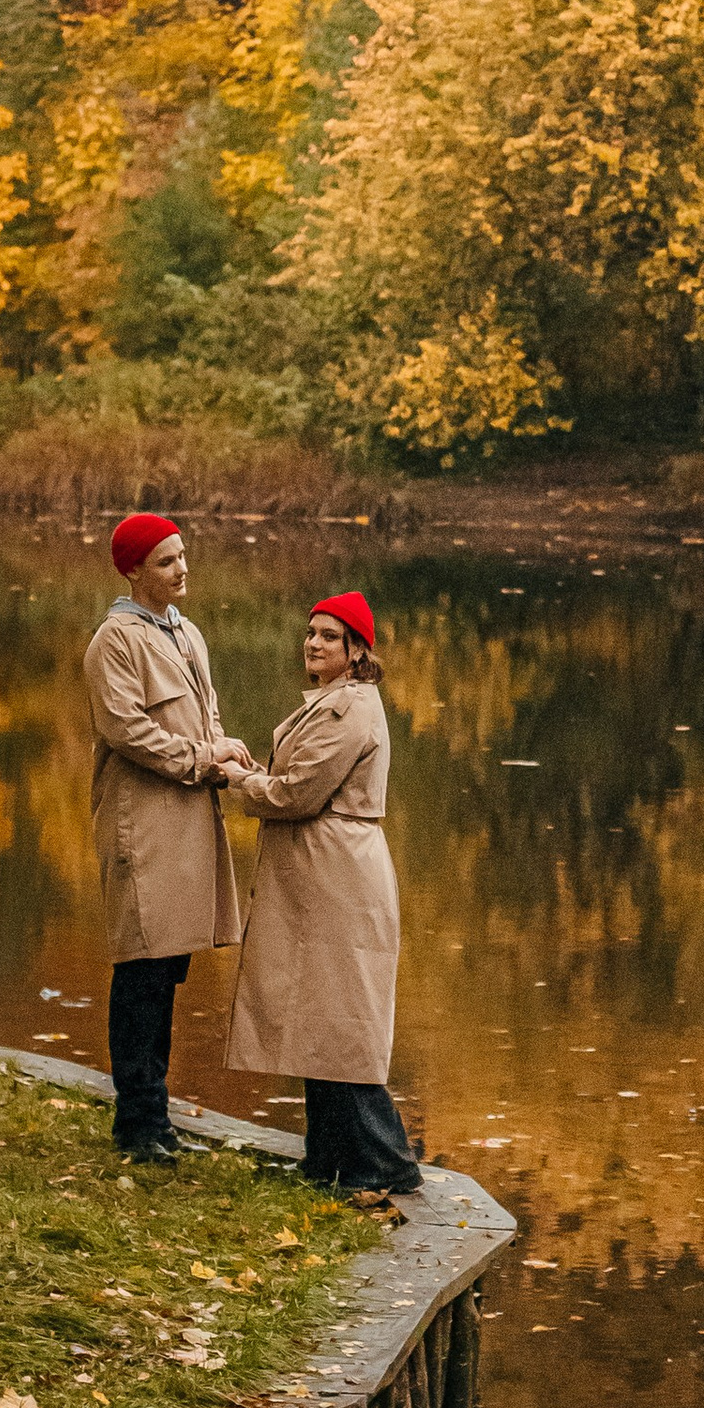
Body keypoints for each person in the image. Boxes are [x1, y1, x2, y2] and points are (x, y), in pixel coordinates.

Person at [220, 591, 420, 1200]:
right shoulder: (335, 702)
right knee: (320, 1015)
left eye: (329, 636)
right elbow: (296, 781)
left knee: (340, 1020)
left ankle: (385, 1163)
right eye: (311, 633)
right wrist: (261, 776)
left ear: (357, 651)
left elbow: (297, 794)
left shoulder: (348, 710)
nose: (313, 643)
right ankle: (330, 1157)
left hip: (335, 876)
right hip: (322, 872)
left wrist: (239, 781)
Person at [83, 512, 248, 1169]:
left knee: (169, 963)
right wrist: (204, 758)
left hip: (187, 815)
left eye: (183, 556)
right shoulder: (114, 641)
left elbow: (203, 717)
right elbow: (128, 732)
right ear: (133, 570)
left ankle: (157, 1113)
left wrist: (227, 751)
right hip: (141, 818)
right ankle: (137, 1119)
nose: (182, 568)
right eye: (166, 560)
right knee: (141, 964)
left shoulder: (188, 633)